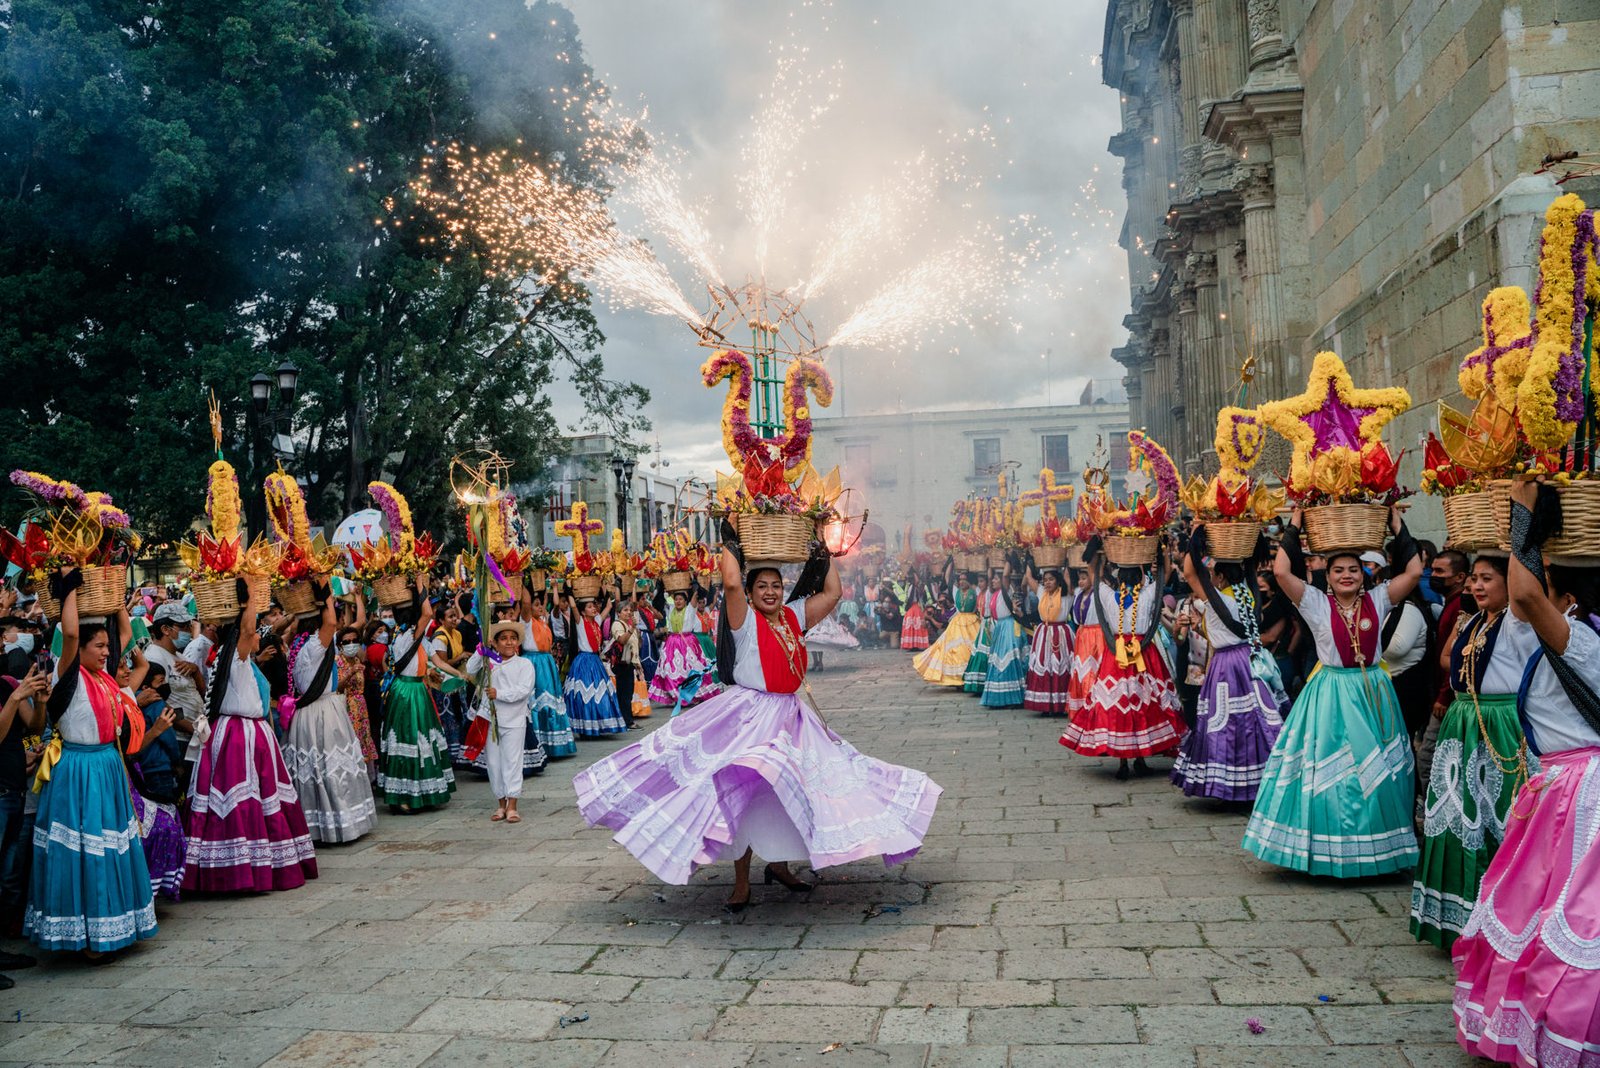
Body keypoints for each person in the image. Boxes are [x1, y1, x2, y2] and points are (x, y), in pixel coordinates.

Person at [574, 529, 943, 910]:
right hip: (747, 714)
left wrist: (821, 544)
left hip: (790, 715)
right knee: (744, 789)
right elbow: (731, 580)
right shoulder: (745, 621)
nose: (770, 592)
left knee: (784, 790)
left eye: (776, 586)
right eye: (762, 586)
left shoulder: (793, 616)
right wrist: (731, 537)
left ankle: (779, 866)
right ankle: (740, 882)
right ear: (749, 595)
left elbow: (832, 594)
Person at [1452, 481, 1600, 1061]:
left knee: (1577, 913)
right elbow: (1524, 601)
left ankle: (1568, 1029)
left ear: (1564, 599)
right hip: (1562, 787)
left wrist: (1523, 516)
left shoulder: (1581, 642)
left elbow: (1524, 596)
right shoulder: (1567, 637)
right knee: (1543, 907)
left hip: (1582, 792)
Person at [1241, 506, 1421, 877]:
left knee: (1379, 774)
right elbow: (1280, 571)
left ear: (1365, 574)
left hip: (1374, 691)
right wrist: (1296, 523)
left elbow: (1415, 570)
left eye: (1353, 569)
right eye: (1338, 570)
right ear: (1328, 575)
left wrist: (1396, 525)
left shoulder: (1380, 598)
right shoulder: (1315, 602)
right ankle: (1326, 851)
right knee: (1333, 776)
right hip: (1331, 695)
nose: (1346, 576)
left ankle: (1377, 851)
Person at [25, 572, 157, 956]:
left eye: (105, 646)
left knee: (109, 849)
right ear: (80, 648)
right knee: (85, 854)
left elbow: (126, 636)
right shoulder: (67, 674)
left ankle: (113, 928)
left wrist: (114, 591)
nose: (106, 652)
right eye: (98, 646)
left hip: (105, 767)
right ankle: (87, 938)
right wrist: (69, 590)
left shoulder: (102, 676)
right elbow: (68, 636)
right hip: (78, 772)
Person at [1409, 554, 1532, 951]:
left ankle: (1500, 923)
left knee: (1499, 816)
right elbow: (1448, 660)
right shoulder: (1474, 620)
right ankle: (1460, 921)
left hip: (1500, 725)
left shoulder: (1518, 622)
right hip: (1463, 721)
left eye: (1487, 579)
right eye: (1474, 579)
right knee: (1457, 815)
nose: (1477, 586)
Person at [184, 594, 318, 892]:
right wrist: (247, 598)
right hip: (239, 737)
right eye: (255, 631)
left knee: (254, 799)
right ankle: (243, 868)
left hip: (242, 734)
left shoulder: (233, 659)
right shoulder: (235, 655)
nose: (258, 635)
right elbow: (246, 631)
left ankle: (246, 864)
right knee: (242, 801)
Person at [1169, 529, 1284, 802]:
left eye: (1213, 576)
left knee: (1226, 724)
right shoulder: (1249, 597)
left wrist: (1196, 536)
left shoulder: (1220, 598)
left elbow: (1189, 574)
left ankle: (1229, 785)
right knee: (1252, 721)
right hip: (1249, 659)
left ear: (1219, 576)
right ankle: (1260, 780)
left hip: (1226, 664)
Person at [1059, 540, 1186, 780]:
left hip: (1115, 657)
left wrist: (1100, 555)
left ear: (1119, 581)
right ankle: (1139, 758)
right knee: (1144, 705)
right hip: (1143, 655)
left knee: (1119, 707)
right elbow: (1165, 575)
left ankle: (1124, 762)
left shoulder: (1107, 595)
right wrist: (1161, 552)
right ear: (1140, 579)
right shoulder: (1148, 593)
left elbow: (1094, 574)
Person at [282, 590, 377, 844]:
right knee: (331, 767)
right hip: (323, 711)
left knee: (314, 770)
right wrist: (324, 590)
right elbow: (334, 623)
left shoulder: (297, 644)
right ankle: (338, 823)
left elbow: (349, 624)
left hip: (306, 714)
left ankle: (315, 823)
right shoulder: (316, 645)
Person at [377, 582, 458, 813]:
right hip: (407, 693)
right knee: (408, 741)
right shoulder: (407, 635)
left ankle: (422, 792)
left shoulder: (415, 637)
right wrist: (421, 583)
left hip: (417, 691)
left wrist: (460, 674)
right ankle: (402, 795)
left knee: (421, 741)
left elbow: (438, 662)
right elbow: (428, 613)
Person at [0, 669, 47, 983]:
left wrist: (40, 701)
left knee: (6, 876)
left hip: (14, 790)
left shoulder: (5, 684)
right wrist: (17, 697)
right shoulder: (11, 691)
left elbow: (34, 724)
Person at [466, 619, 536, 823]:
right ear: (495, 643)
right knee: (494, 763)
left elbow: (524, 690)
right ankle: (500, 803)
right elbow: (470, 669)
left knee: (512, 761)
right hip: (491, 720)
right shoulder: (490, 663)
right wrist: (481, 650)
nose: (508, 642)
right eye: (503, 638)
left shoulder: (525, 664)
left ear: (518, 643)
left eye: (513, 638)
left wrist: (500, 694)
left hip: (514, 720)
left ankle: (513, 804)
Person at [518, 589, 575, 758]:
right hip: (533, 662)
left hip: (546, 662)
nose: (540, 608)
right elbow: (526, 603)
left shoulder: (543, 621)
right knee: (538, 701)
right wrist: (521, 580)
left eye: (541, 605)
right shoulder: (526, 622)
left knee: (551, 700)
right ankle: (539, 741)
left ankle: (554, 743)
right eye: (536, 606)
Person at [563, 591, 626, 736]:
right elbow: (573, 606)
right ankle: (586, 727)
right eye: (590, 607)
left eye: (594, 606)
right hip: (584, 661)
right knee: (585, 695)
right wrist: (569, 589)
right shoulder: (580, 622)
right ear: (583, 611)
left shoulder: (596, 621)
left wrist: (606, 588)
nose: (593, 609)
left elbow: (609, 606)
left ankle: (599, 724)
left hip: (595, 661)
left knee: (600, 694)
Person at [648, 586, 722, 708]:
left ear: (685, 601)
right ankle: (677, 696)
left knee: (690, 671)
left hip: (688, 643)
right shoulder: (670, 608)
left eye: (681, 599)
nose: (678, 601)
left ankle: (692, 695)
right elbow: (661, 599)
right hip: (672, 643)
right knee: (670, 670)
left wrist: (694, 581)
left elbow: (695, 595)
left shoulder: (690, 609)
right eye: (676, 599)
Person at [914, 565, 981, 686]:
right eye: (960, 580)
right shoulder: (957, 591)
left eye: (964, 579)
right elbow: (947, 578)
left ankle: (969, 677)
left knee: (971, 649)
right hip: (958, 623)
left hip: (972, 622)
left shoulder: (975, 591)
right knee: (955, 649)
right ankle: (956, 678)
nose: (961, 582)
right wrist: (951, 562)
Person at [1023, 566, 1075, 716]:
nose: (1047, 583)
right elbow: (1029, 577)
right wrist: (1029, 560)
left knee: (1060, 667)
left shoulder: (1066, 594)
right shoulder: (1041, 592)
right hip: (1043, 634)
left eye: (1051, 579)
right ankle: (1045, 705)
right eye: (1045, 580)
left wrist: (1064, 557)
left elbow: (1067, 576)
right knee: (1045, 666)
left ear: (1058, 581)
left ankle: (1060, 705)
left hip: (1061, 634)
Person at [334, 620, 378, 777]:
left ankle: (365, 777)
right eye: (347, 642)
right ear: (340, 645)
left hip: (360, 706)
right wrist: (350, 673)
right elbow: (336, 687)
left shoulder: (358, 660)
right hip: (345, 706)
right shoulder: (337, 661)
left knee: (363, 738)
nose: (351, 644)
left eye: (355, 641)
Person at [605, 599, 644, 731]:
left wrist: (638, 665)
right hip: (621, 664)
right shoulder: (617, 625)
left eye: (630, 610)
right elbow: (621, 640)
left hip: (629, 663)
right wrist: (632, 628)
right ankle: (627, 721)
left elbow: (634, 648)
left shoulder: (628, 625)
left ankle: (625, 719)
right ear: (618, 613)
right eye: (625, 610)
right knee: (624, 693)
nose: (628, 613)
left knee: (628, 692)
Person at [962, 574, 994, 694]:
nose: (980, 584)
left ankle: (985, 682)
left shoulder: (989, 593)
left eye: (982, 581)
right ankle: (978, 683)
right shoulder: (979, 594)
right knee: (978, 652)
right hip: (983, 623)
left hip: (990, 623)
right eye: (979, 582)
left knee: (985, 653)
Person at [900, 569, 931, 652]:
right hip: (914, 607)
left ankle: (915, 644)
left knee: (915, 626)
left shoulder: (916, 587)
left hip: (915, 607)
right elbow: (910, 599)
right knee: (914, 626)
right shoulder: (912, 587)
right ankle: (913, 644)